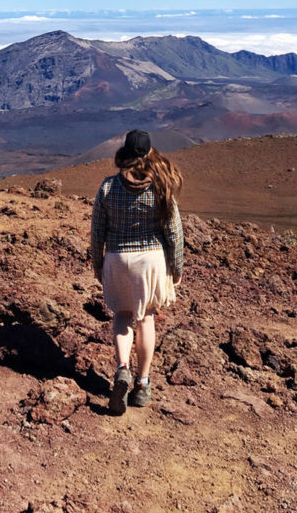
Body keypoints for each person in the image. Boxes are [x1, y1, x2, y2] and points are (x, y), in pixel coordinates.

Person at [90, 129, 184, 414]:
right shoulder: (160, 188)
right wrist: (176, 268)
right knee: (145, 319)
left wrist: (98, 264)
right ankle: (142, 385)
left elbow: (97, 233)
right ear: (150, 153)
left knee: (121, 316)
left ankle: (122, 369)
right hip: (151, 260)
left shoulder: (107, 188)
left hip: (117, 258)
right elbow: (174, 233)